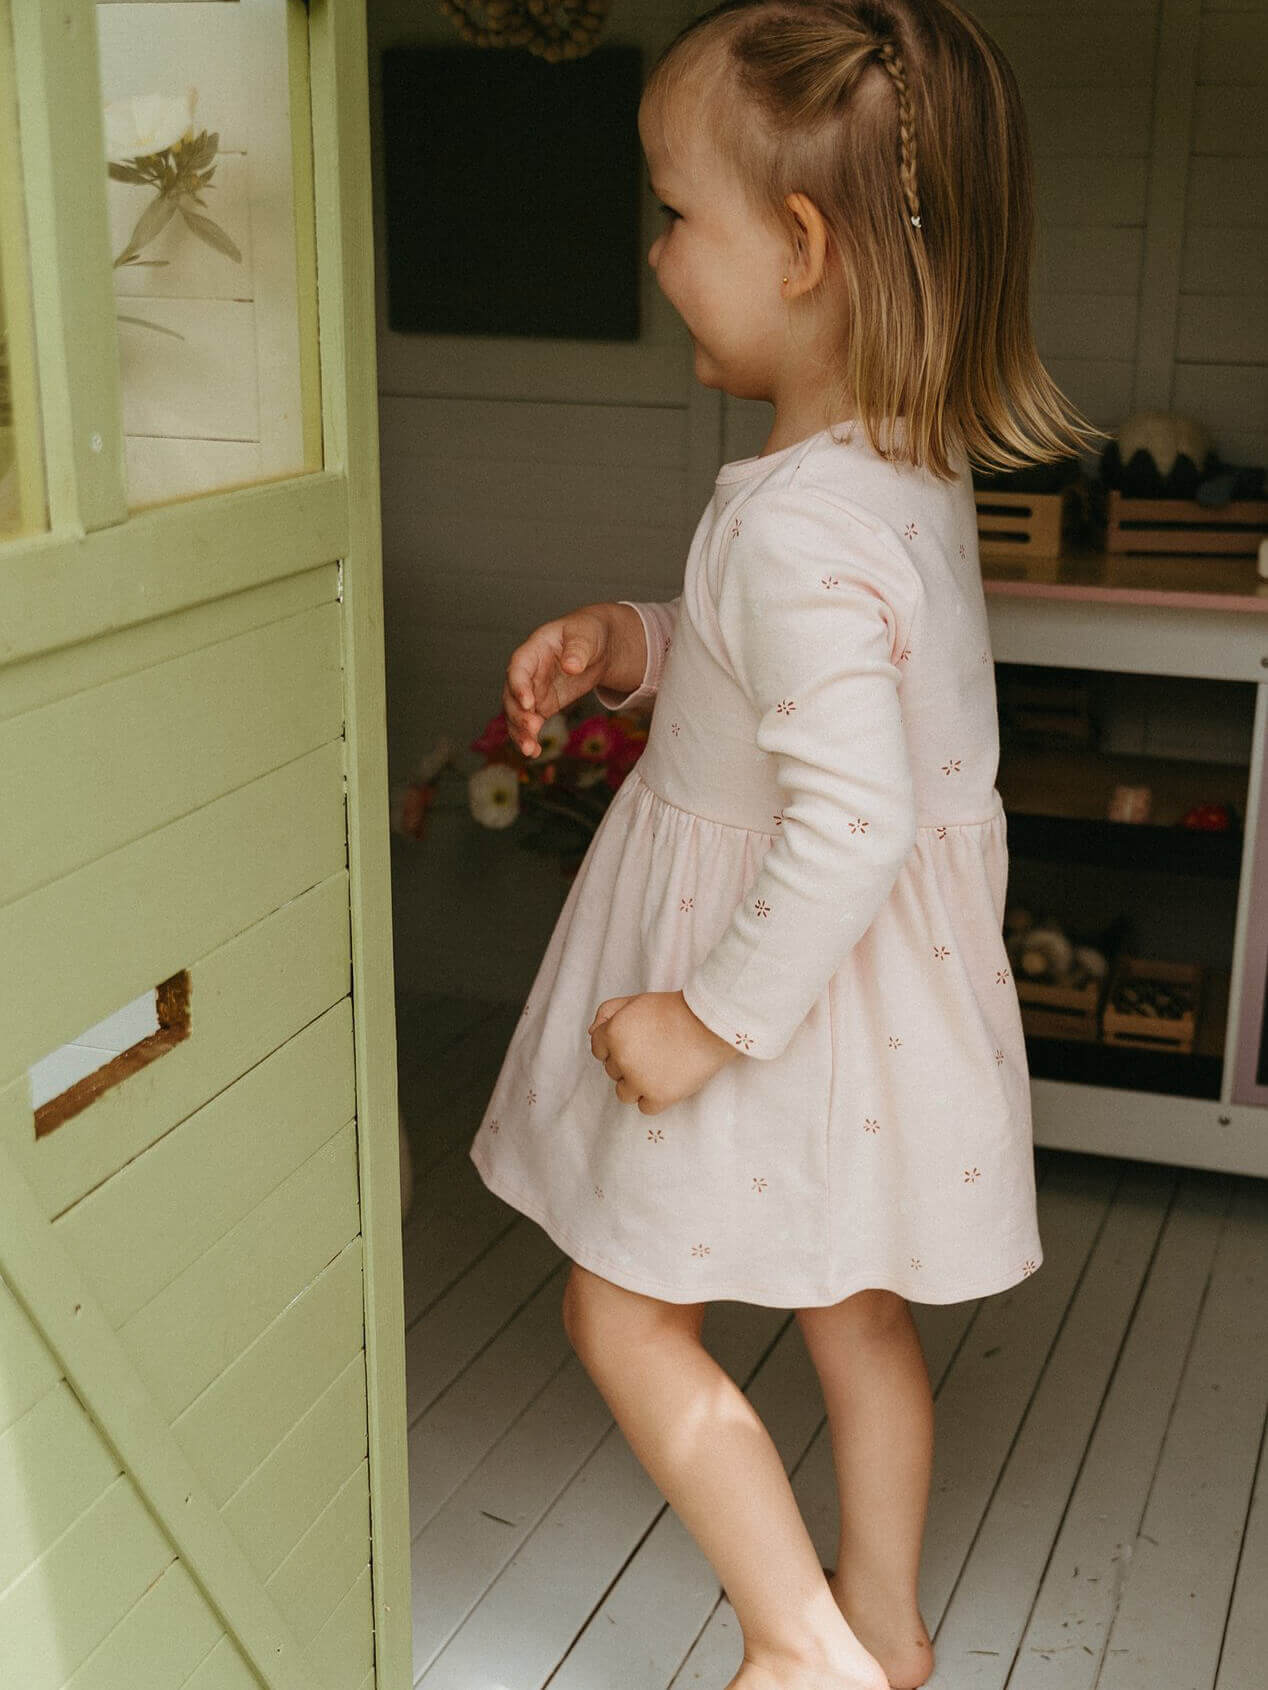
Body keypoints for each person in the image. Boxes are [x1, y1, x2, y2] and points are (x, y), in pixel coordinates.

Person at [468, 4, 1107, 1686]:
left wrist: (697, 1021)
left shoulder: (785, 520)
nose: (659, 247)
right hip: (876, 1012)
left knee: (620, 1309)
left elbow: (849, 808)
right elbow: (808, 687)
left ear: (805, 248)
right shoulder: (902, 470)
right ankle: (885, 1623)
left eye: (678, 211)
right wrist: (636, 635)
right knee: (860, 1307)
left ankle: (793, 1639)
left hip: (769, 994)